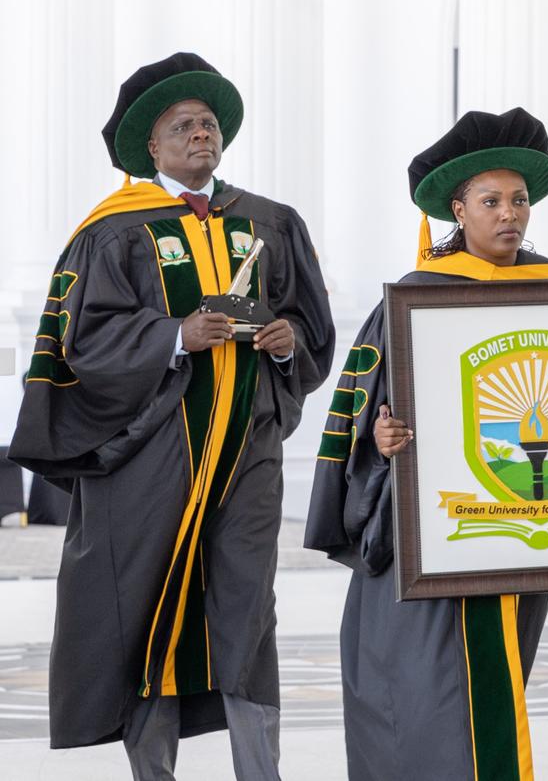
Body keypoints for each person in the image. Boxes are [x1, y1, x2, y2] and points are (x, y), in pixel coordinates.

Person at [304, 107, 548, 780]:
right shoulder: (416, 300)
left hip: (521, 530)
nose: (509, 213)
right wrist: (382, 442)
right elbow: (361, 420)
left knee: (495, 683)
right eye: (490, 201)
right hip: (432, 533)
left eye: (519, 199)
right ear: (458, 210)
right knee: (427, 691)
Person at [8, 52, 335, 780]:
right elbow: (84, 339)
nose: (200, 134)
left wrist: (286, 344)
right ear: (151, 148)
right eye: (182, 126)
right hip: (149, 452)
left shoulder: (269, 221)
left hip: (247, 448)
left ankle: (261, 773)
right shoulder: (113, 231)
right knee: (146, 600)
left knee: (248, 608)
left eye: (208, 123)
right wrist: (173, 336)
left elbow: (308, 325)